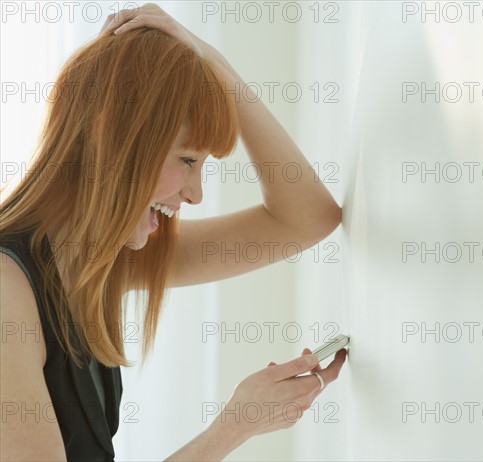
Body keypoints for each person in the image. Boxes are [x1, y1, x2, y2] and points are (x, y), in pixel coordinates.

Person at [0, 3, 347, 460]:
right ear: (110, 138)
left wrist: (211, 63)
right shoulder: (7, 292)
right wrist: (232, 428)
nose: (196, 195)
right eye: (187, 160)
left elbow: (306, 218)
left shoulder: (90, 265)